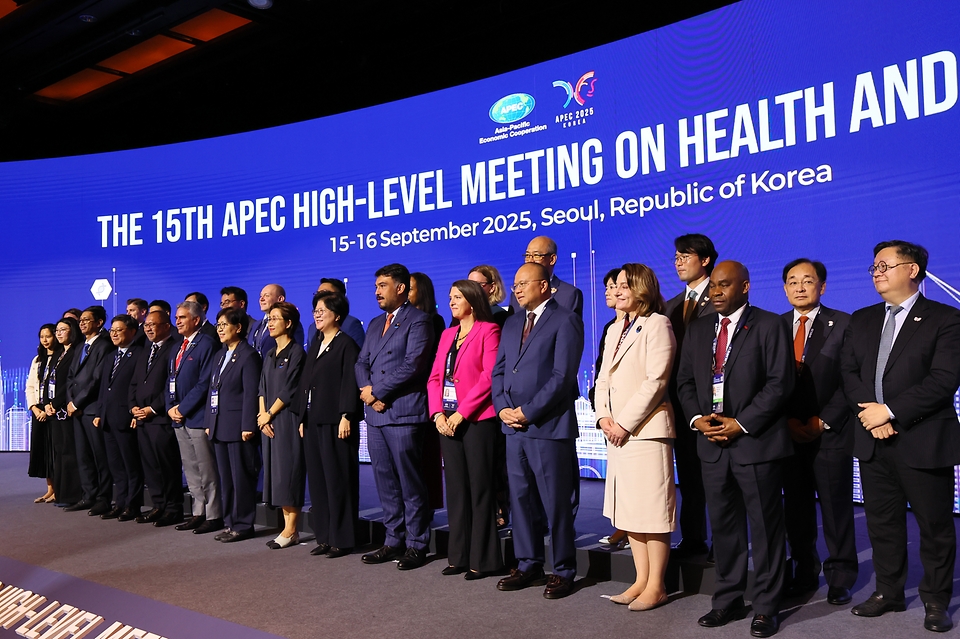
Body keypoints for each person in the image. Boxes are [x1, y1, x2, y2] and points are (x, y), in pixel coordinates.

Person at [840, 241, 960, 633]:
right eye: (873, 266)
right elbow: (850, 374)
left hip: (923, 439)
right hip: (874, 441)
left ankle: (936, 599)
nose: (876, 271)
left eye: (885, 265)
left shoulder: (946, 319)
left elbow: (943, 380)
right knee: (883, 524)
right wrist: (872, 416)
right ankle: (888, 592)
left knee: (934, 526)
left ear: (912, 270)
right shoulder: (861, 319)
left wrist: (890, 412)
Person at [677, 261, 793, 638]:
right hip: (710, 444)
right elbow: (684, 383)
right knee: (724, 529)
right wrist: (698, 420)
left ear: (745, 286)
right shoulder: (697, 329)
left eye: (724, 285)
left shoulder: (770, 324)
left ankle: (766, 606)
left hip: (754, 443)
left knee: (765, 529)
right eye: (713, 286)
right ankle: (726, 599)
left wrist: (739, 424)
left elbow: (779, 384)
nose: (715, 292)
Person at [493, 262, 584, 599]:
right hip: (512, 428)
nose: (516, 289)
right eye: (514, 284)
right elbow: (500, 370)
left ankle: (563, 569)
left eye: (523, 283)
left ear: (544, 286)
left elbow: (562, 377)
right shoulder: (513, 321)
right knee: (519, 498)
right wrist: (502, 407)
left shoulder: (565, 320)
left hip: (547, 425)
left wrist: (527, 412)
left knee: (555, 502)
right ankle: (528, 562)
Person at [595, 264, 676, 611]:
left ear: (642, 288)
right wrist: (602, 418)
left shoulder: (658, 323)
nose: (619, 290)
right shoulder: (615, 328)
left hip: (645, 432)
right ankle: (640, 580)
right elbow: (602, 379)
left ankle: (656, 584)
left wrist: (624, 423)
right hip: (617, 433)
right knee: (630, 511)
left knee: (652, 511)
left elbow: (656, 381)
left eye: (626, 285)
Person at [779, 259, 857, 605]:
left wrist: (821, 421)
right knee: (795, 509)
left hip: (830, 433)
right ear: (784, 288)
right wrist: (786, 421)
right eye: (792, 281)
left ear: (822, 287)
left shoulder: (844, 324)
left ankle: (840, 576)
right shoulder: (774, 326)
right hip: (785, 433)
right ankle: (804, 571)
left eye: (807, 281)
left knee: (836, 509)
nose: (799, 287)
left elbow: (851, 380)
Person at [355, 263, 434, 570]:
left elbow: (413, 365)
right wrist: (365, 388)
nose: (377, 291)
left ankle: (417, 544)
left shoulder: (419, 320)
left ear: (400, 288)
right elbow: (362, 361)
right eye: (376, 286)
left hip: (401, 412)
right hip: (375, 415)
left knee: (410, 482)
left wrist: (378, 392)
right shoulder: (375, 323)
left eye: (383, 285)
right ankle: (392, 540)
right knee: (385, 482)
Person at [428, 280, 504, 579]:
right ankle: (458, 556)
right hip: (446, 421)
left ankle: (483, 560)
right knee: (457, 490)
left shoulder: (489, 330)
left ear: (472, 301)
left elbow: (488, 376)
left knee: (480, 490)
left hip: (477, 421)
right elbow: (435, 377)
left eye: (457, 297)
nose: (451, 302)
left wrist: (462, 412)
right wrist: (436, 412)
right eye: (449, 297)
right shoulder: (447, 335)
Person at [664, 233, 718, 559]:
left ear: (705, 259)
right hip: (681, 404)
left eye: (686, 256)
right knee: (689, 476)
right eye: (676, 257)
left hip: (715, 403)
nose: (679, 262)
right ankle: (693, 538)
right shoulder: (671, 306)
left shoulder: (724, 296)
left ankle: (725, 543)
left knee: (718, 478)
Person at [298, 291, 363, 557]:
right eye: (315, 309)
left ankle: (343, 539)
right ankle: (324, 536)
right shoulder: (315, 342)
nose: (317, 313)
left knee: (339, 480)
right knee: (319, 481)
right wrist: (302, 416)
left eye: (323, 309)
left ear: (337, 315)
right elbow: (305, 382)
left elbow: (350, 381)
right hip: (313, 421)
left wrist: (347, 415)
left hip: (337, 422)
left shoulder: (346, 344)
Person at [166, 300, 223, 535]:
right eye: (177, 317)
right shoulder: (177, 346)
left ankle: (214, 514)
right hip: (179, 418)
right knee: (190, 469)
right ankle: (198, 512)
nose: (177, 321)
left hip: (197, 417)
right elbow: (169, 379)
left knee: (207, 469)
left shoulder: (207, 344)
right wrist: (170, 407)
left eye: (182, 317)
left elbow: (204, 384)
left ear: (196, 320)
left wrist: (182, 408)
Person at [206, 308, 262, 543]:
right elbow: (213, 390)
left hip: (239, 427)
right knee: (226, 479)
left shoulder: (248, 356)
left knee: (241, 479)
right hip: (219, 425)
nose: (219, 329)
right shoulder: (220, 355)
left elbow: (251, 394)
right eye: (217, 325)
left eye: (224, 324)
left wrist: (248, 424)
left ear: (238, 328)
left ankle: (243, 524)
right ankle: (230, 523)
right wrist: (210, 421)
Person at [129, 310, 184, 526]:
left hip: (160, 419)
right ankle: (158, 505)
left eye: (153, 324)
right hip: (142, 419)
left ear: (166, 326)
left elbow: (172, 386)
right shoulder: (145, 350)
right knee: (150, 466)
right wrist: (133, 406)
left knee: (166, 465)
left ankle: (173, 508)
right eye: (146, 325)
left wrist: (152, 408)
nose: (148, 328)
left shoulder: (174, 348)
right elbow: (134, 383)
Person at [258, 301, 306, 549]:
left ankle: (291, 529)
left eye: (275, 318)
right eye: (269, 318)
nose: (270, 322)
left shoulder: (297, 352)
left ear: (288, 323)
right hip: (268, 420)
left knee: (289, 471)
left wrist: (270, 413)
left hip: (286, 419)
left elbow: (290, 389)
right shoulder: (268, 354)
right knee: (276, 474)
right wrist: (261, 415)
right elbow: (262, 388)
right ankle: (287, 526)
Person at [92, 315, 144, 521]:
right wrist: (99, 412)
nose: (113, 334)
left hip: (126, 416)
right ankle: (120, 502)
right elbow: (104, 387)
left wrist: (134, 411)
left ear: (132, 331)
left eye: (119, 330)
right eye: (112, 330)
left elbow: (138, 386)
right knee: (115, 465)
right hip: (107, 417)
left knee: (131, 464)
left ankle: (133, 505)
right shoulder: (110, 356)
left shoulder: (139, 354)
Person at [64, 306, 113, 516]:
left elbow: (97, 379)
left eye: (87, 320)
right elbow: (70, 378)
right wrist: (70, 401)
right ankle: (88, 495)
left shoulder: (104, 345)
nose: (82, 323)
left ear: (99, 322)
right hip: (76, 410)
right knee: (83, 456)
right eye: (81, 320)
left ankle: (104, 498)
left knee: (99, 456)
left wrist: (77, 403)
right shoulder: (80, 346)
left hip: (91, 409)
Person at [409, 271, 445, 512]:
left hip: (426, 397)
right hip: (408, 397)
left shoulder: (435, 320)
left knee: (427, 456)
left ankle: (427, 508)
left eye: (409, 288)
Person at [44, 317, 83, 507]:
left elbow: (70, 383)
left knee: (69, 452)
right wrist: (47, 404)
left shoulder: (77, 352)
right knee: (58, 453)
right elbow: (49, 382)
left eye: (63, 330)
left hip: (66, 410)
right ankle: (59, 492)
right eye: (57, 330)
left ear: (72, 331)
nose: (58, 333)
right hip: (53, 411)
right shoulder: (58, 353)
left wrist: (58, 402)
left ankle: (71, 495)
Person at [510, 236, 584, 316]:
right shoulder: (517, 295)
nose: (530, 261)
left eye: (536, 255)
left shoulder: (568, 294)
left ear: (552, 259)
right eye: (527, 255)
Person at [27, 324, 59, 503]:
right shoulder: (37, 360)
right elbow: (30, 386)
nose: (45, 340)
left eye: (48, 336)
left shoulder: (60, 357)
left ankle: (59, 489)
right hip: (38, 410)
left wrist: (47, 410)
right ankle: (49, 489)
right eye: (42, 337)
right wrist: (34, 408)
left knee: (54, 450)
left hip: (53, 410)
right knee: (43, 451)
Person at [249, 284, 305, 354]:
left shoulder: (290, 322)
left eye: (267, 295)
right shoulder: (256, 325)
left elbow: (296, 351)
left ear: (280, 299)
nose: (261, 299)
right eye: (261, 296)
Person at [316, 278, 365, 347]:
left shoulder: (350, 324)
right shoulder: (312, 328)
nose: (319, 297)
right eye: (318, 293)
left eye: (325, 293)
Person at [468, 264, 513, 329]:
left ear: (492, 287)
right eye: (469, 284)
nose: (471, 288)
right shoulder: (464, 313)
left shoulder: (499, 315)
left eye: (477, 284)